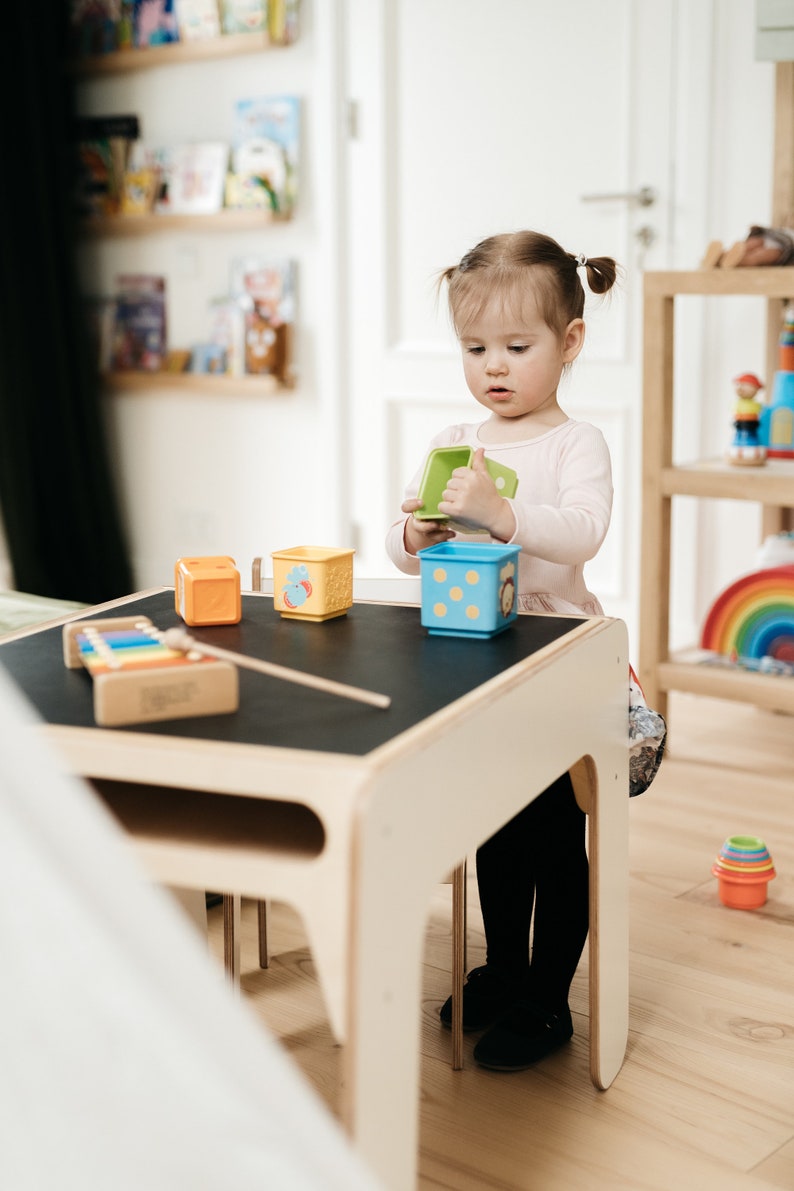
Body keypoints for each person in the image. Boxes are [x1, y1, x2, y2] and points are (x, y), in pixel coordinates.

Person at [385, 229, 620, 1071]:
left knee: (553, 837)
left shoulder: (573, 444)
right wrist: (415, 529)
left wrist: (501, 512)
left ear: (569, 343)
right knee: (494, 830)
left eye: (517, 347)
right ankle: (503, 968)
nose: (494, 365)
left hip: (559, 674)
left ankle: (548, 1000)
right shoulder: (459, 435)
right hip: (478, 670)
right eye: (475, 347)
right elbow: (408, 552)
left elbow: (582, 537)